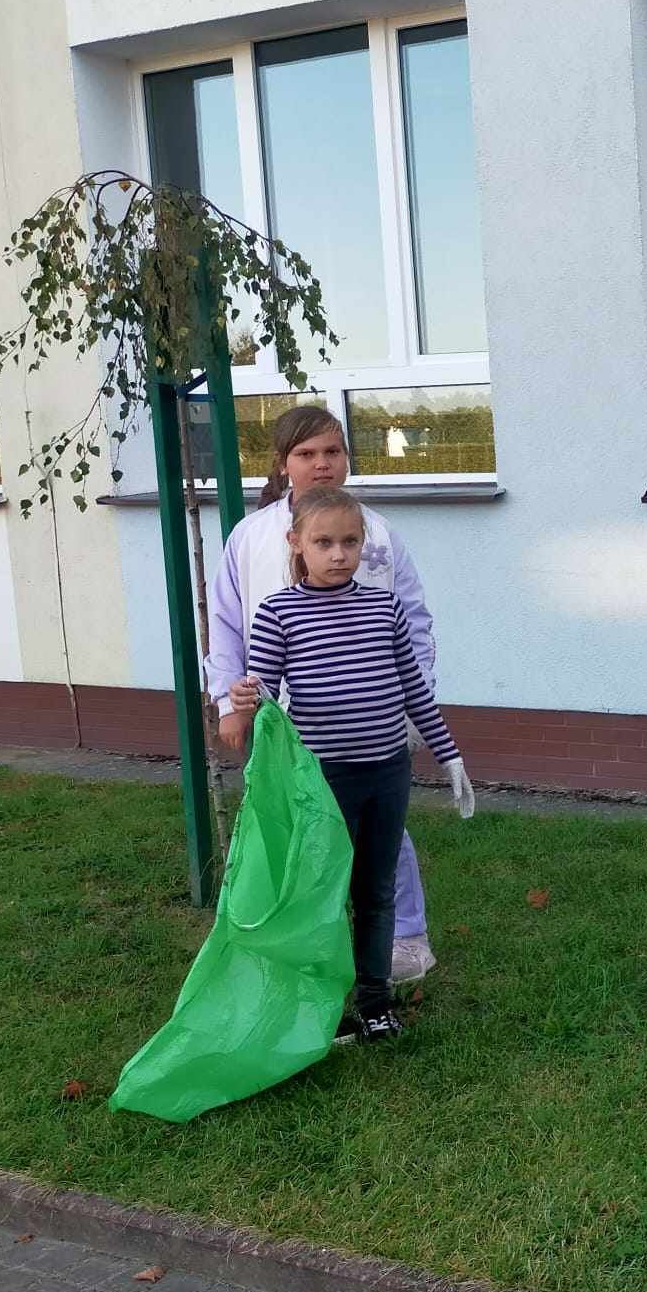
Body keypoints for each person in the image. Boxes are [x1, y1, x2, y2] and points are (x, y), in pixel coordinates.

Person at [225, 487, 474, 1042]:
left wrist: (449, 753)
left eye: (350, 542)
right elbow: (264, 692)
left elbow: (414, 689)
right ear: (296, 543)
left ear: (363, 543)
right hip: (324, 779)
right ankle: (321, 1004)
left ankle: (375, 1001)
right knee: (322, 894)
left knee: (376, 891)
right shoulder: (278, 612)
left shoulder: (384, 608)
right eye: (324, 542)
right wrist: (243, 698)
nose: (339, 554)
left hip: (386, 773)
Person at [207, 405, 442, 984]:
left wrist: (413, 707)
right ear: (283, 463)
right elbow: (227, 624)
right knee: (298, 831)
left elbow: (413, 622)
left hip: (370, 725)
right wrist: (229, 705)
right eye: (306, 454)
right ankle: (303, 940)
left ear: (346, 458)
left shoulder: (377, 533)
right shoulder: (252, 537)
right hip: (285, 722)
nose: (321, 464)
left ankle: (405, 935)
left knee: (382, 832)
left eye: (332, 451)